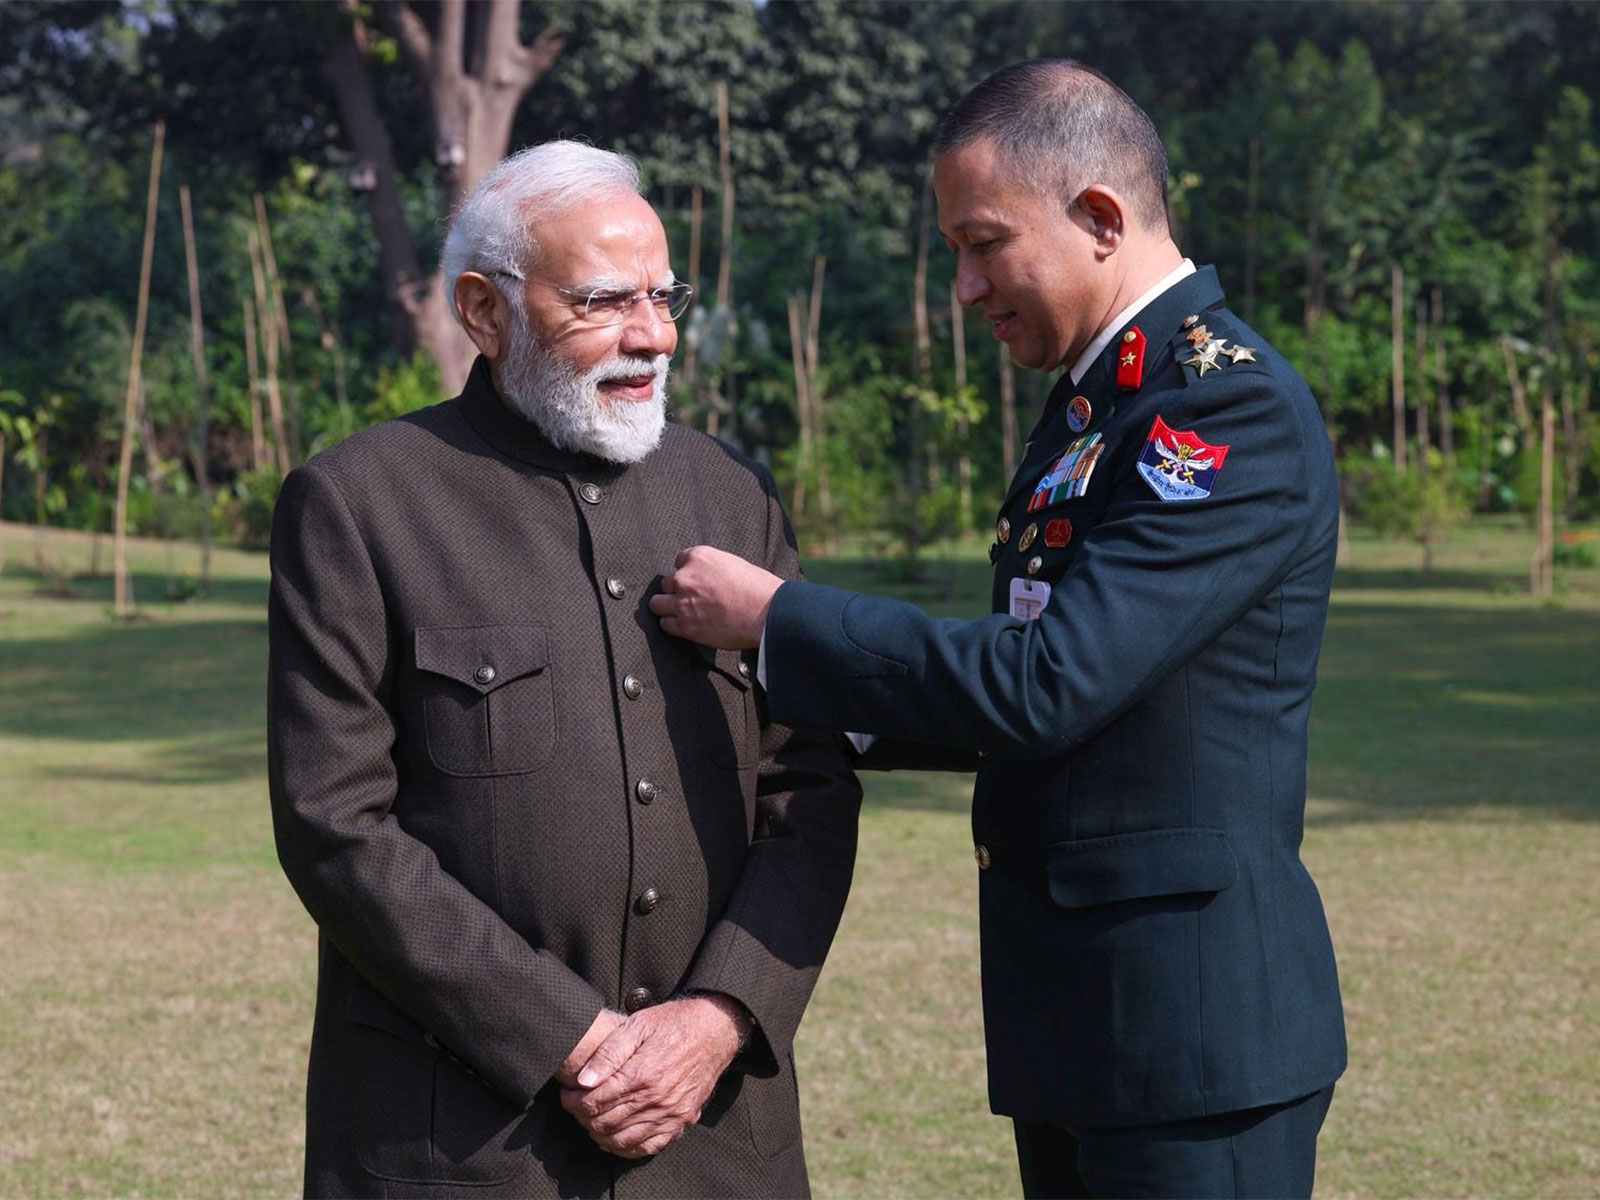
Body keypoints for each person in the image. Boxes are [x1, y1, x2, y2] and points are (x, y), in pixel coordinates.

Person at [650, 60, 1346, 1199]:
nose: (965, 287)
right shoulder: (1103, 397)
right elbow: (1045, 694)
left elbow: (1047, 681)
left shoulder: (1222, 406)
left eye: (983, 244)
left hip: (1191, 1043)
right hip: (1088, 1022)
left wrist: (778, 620)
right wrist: (802, 716)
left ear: (1101, 218)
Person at [267, 140, 861, 1199]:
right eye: (601, 302)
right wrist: (566, 1036)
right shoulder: (361, 504)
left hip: (716, 1132)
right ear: (483, 311)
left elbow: (805, 787)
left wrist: (719, 1015)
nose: (651, 337)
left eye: (663, 297)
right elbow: (334, 824)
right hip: (462, 1142)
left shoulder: (731, 496)